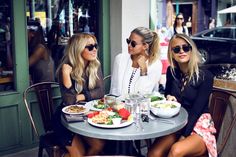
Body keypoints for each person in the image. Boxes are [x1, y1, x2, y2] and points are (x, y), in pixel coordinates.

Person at [147, 34, 217, 157]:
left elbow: (196, 110)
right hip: (178, 122)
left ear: (192, 49)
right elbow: (167, 93)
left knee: (176, 150)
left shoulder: (206, 76)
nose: (182, 51)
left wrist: (184, 135)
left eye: (185, 48)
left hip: (198, 125)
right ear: (171, 53)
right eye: (176, 49)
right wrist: (169, 97)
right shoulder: (171, 72)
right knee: (154, 153)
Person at [53, 33, 105, 157]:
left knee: (99, 146)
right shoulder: (66, 68)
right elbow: (70, 101)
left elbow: (101, 92)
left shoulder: (94, 65)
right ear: (78, 49)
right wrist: (66, 76)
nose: (95, 50)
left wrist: (81, 96)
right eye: (90, 47)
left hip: (86, 115)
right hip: (66, 119)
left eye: (95, 46)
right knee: (79, 154)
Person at [110, 27, 162, 96]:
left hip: (143, 105)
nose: (129, 45)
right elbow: (114, 89)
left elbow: (144, 95)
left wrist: (143, 70)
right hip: (120, 105)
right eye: (128, 41)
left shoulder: (155, 64)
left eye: (133, 44)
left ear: (145, 46)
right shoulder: (120, 59)